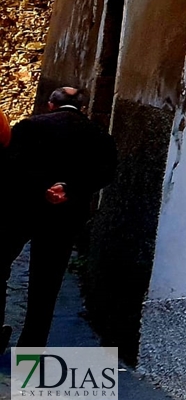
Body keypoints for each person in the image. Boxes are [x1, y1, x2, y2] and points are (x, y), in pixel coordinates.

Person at [1, 87, 117, 349]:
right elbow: (106, 172)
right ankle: (31, 348)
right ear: (83, 107)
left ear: (51, 104)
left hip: (23, 209)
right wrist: (70, 189)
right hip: (66, 216)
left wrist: (40, 188)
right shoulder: (99, 135)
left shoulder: (30, 126)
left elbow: (10, 166)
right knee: (47, 283)